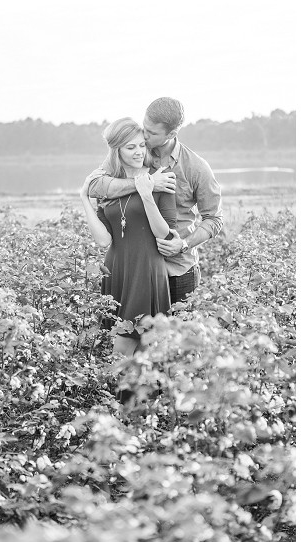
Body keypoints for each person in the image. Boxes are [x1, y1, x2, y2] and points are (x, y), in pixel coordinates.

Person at [87, 97, 223, 304]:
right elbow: (96, 186)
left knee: (177, 335)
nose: (145, 135)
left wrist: (184, 244)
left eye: (152, 133)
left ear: (172, 134)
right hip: (136, 270)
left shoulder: (196, 167)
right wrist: (148, 183)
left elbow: (213, 219)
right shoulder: (132, 150)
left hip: (177, 271)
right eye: (145, 127)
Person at [78, 117, 176, 357]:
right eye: (131, 147)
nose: (138, 152)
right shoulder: (108, 182)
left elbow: (164, 233)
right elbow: (103, 241)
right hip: (118, 269)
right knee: (124, 350)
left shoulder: (161, 177)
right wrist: (84, 200)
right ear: (117, 150)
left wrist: (147, 195)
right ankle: (126, 395)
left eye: (142, 145)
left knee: (134, 347)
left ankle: (135, 395)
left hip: (146, 268)